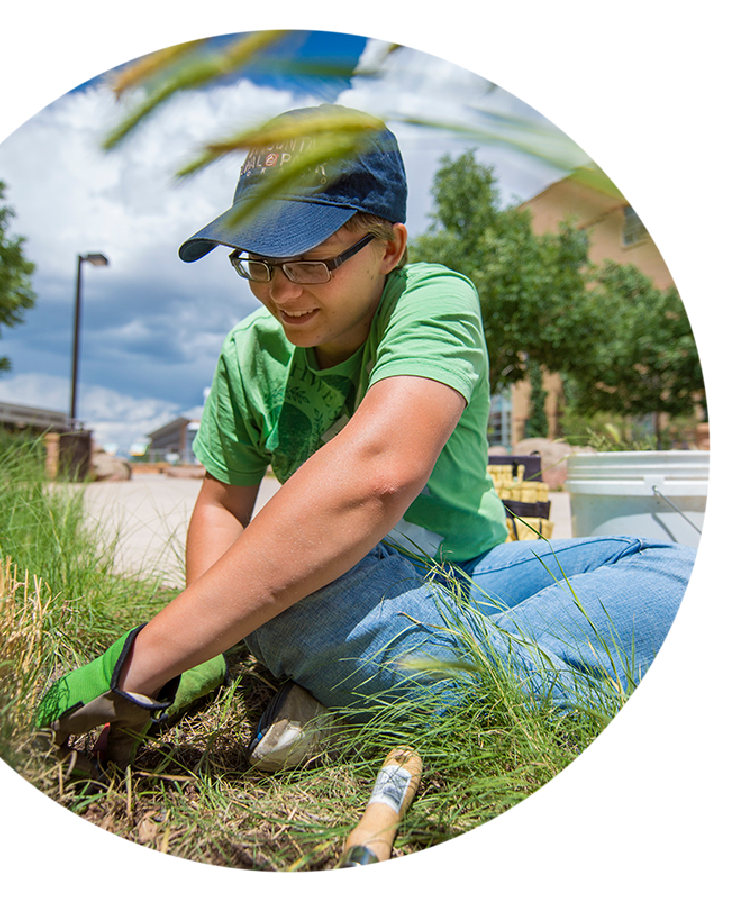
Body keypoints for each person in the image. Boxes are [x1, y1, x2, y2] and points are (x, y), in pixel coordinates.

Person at [35, 104, 694, 774]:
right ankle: (508, 698)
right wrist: (206, 642)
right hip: (340, 588)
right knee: (286, 593)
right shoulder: (248, 352)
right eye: (258, 263)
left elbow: (379, 470)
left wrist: (154, 650)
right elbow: (222, 505)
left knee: (677, 571)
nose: (281, 292)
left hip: (470, 574)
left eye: (312, 263)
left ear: (391, 249)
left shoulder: (432, 299)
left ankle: (354, 701)